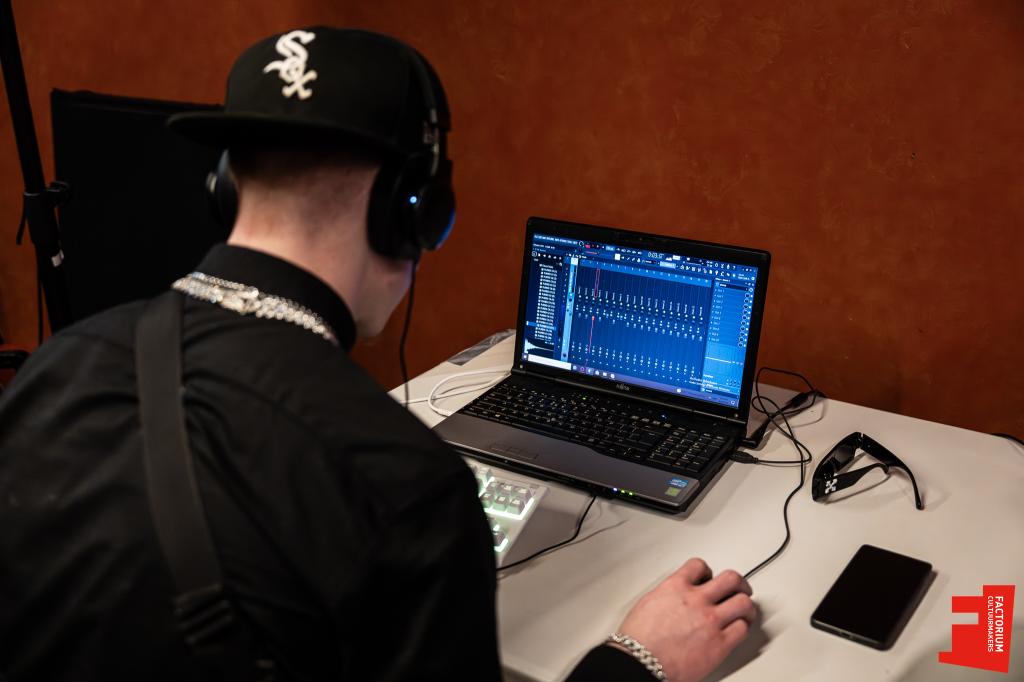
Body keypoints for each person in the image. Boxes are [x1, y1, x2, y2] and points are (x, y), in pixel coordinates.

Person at [0, 27, 755, 681]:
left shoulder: (53, 370)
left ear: (224, 188)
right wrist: (637, 659)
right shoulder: (404, 485)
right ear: (414, 212)